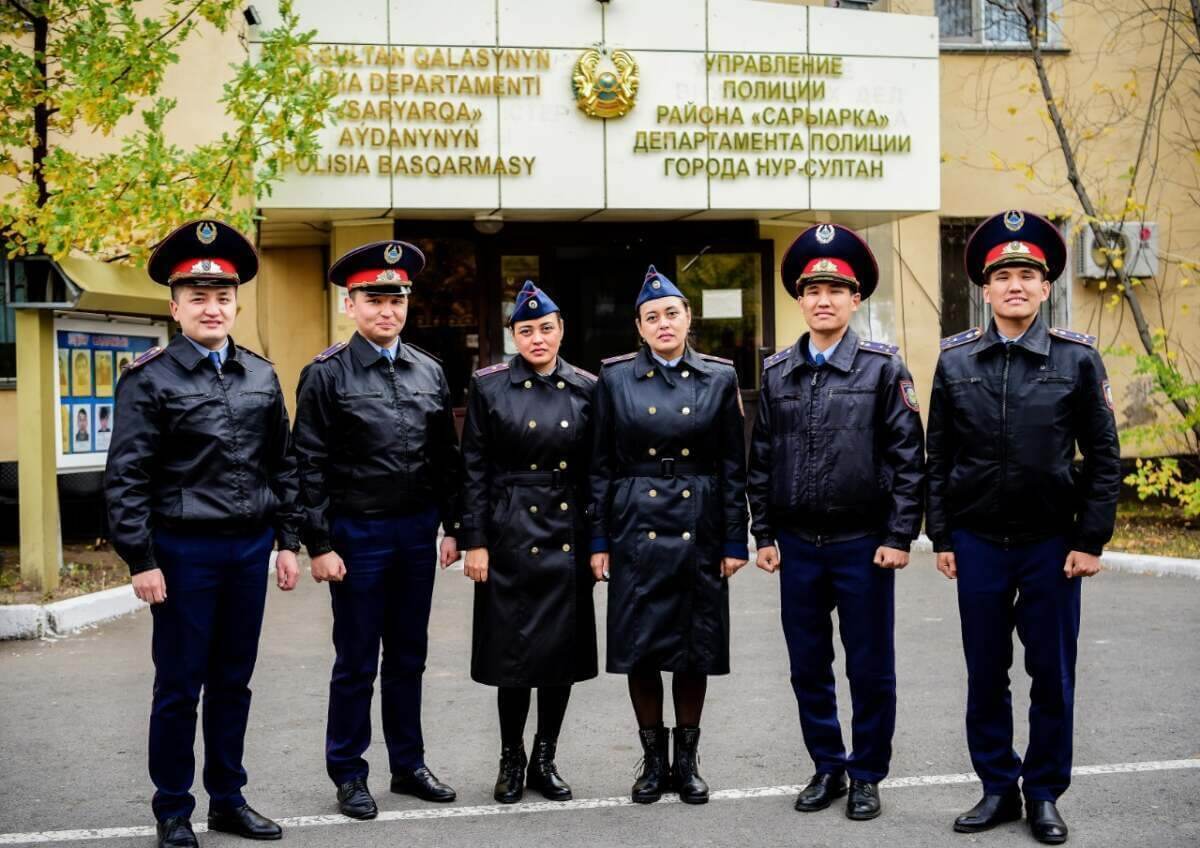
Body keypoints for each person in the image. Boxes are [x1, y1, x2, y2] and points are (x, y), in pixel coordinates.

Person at [104, 219, 302, 848]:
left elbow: (283, 463)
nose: (212, 307)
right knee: (179, 685)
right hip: (183, 552)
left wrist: (288, 540)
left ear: (236, 303)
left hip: (248, 550)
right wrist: (141, 558)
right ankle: (172, 809)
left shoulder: (261, 375)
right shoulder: (149, 379)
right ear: (176, 306)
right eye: (198, 297)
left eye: (222, 297)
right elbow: (127, 476)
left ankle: (227, 799)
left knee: (233, 682)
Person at [926, 210, 1121, 845]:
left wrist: (1090, 540)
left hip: (1050, 545)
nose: (1015, 284)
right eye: (1003, 275)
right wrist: (945, 536)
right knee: (985, 672)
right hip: (979, 541)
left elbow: (1104, 455)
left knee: (1051, 675)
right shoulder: (955, 362)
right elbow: (938, 455)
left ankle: (1042, 794)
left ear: (1045, 287)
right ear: (985, 289)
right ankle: (996, 789)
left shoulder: (1078, 359)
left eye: (1027, 275)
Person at [747, 224, 925, 822]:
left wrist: (900, 535)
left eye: (836, 289)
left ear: (856, 300)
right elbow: (762, 456)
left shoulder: (882, 368)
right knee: (808, 665)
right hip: (797, 545)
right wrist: (764, 533)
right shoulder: (777, 372)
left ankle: (868, 772)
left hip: (863, 544)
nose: (823, 299)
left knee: (870, 666)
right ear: (800, 299)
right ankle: (827, 765)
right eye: (812, 289)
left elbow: (907, 458)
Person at [293, 239, 464, 820]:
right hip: (357, 535)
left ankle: (408, 764)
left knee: (410, 656)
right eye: (374, 299)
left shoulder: (430, 370)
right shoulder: (325, 374)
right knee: (357, 660)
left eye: (397, 299)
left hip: (417, 532)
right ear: (351, 303)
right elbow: (307, 463)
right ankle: (348, 771)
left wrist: (454, 525)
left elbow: (447, 457)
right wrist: (319, 543)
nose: (387, 310)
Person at [589, 265, 749, 805]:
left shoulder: (719, 377)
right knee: (641, 646)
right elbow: (600, 466)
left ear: (688, 319)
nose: (663, 323)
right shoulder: (614, 379)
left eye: (672, 314)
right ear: (638, 327)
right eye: (652, 317)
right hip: (635, 520)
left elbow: (733, 464)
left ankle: (688, 762)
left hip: (698, 521)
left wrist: (734, 540)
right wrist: (598, 540)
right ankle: (653, 762)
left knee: (693, 645)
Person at [459, 281, 599, 804]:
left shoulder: (587, 387)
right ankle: (511, 757)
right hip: (509, 530)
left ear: (561, 330)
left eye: (546, 328)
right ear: (512, 335)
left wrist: (598, 538)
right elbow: (472, 468)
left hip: (567, 535)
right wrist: (474, 540)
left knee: (558, 653)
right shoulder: (489, 386)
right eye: (526, 330)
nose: (537, 338)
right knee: (513, 656)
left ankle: (546, 757)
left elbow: (596, 472)